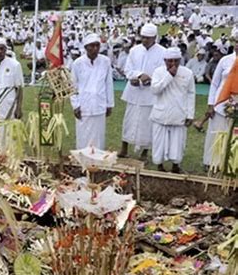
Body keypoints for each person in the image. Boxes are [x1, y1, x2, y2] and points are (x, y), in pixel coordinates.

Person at [119, 23, 166, 160]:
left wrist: (150, 79)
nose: (144, 40)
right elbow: (128, 69)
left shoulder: (162, 52)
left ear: (155, 37)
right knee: (129, 120)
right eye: (143, 37)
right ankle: (124, 148)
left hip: (150, 93)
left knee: (147, 122)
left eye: (148, 38)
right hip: (134, 91)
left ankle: (145, 152)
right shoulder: (135, 50)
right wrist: (138, 76)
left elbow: (162, 72)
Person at [150, 47, 195, 173]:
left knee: (178, 142)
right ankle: (159, 166)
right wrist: (169, 75)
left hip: (179, 113)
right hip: (161, 113)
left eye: (176, 61)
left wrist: (190, 114)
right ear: (164, 60)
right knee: (159, 142)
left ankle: (176, 166)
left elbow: (191, 94)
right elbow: (155, 90)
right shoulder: (158, 72)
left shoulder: (187, 73)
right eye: (170, 61)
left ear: (180, 60)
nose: (173, 64)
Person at [70, 33, 114, 150]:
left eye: (97, 46)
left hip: (100, 103)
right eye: (92, 46)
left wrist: (109, 104)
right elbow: (72, 86)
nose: (95, 49)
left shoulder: (105, 61)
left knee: (99, 135)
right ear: (85, 48)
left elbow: (108, 83)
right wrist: (75, 105)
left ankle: (97, 161)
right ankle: (83, 160)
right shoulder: (77, 63)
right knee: (83, 135)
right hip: (83, 105)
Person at [203, 31, 238, 168]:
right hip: (220, 104)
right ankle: (211, 163)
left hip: (236, 107)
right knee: (216, 134)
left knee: (233, 137)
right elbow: (215, 83)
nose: (237, 46)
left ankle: (229, 165)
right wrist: (211, 104)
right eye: (236, 43)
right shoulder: (225, 60)